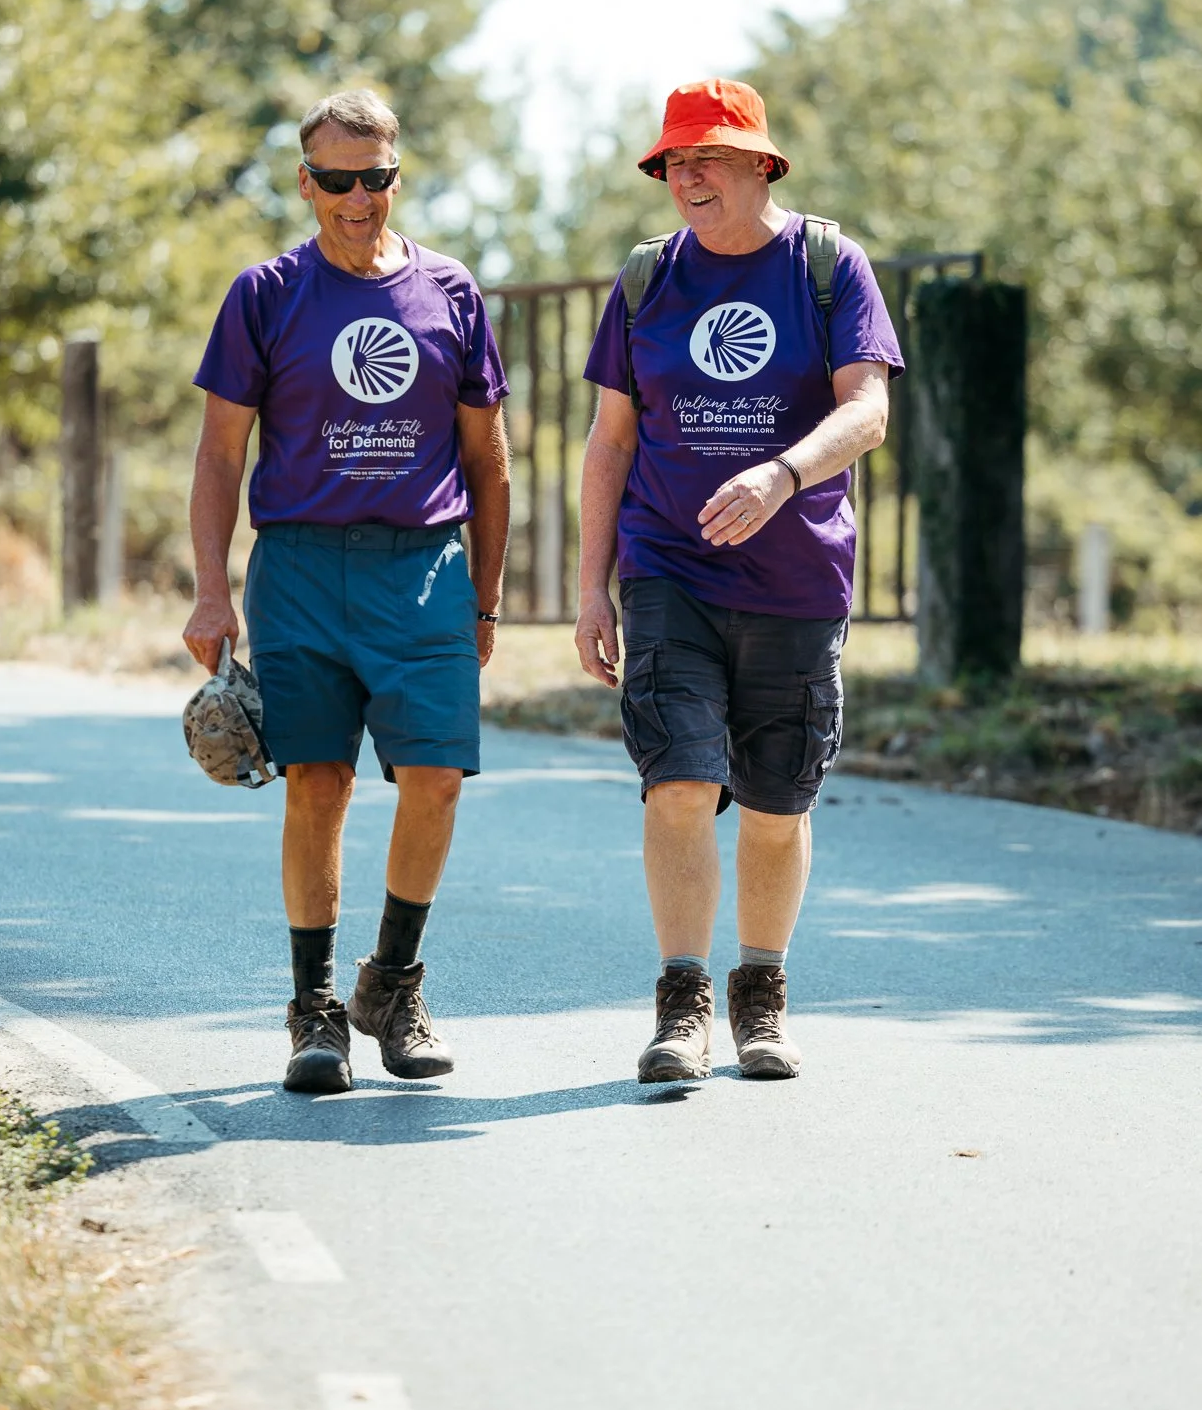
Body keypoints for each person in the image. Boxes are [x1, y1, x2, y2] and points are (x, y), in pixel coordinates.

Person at [575, 78, 902, 1083]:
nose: (688, 176)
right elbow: (609, 443)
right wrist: (593, 587)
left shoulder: (826, 266)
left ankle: (762, 994)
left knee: (773, 802)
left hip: (798, 577)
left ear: (763, 163)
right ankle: (683, 1005)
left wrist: (784, 471)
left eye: (708, 158)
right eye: (674, 161)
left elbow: (870, 409)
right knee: (679, 780)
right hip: (671, 569)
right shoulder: (644, 282)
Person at [183, 89, 510, 1095]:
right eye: (336, 180)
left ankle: (393, 984)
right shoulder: (265, 293)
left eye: (374, 179)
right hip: (300, 571)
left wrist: (486, 600)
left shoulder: (451, 293)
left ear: (397, 176)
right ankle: (314, 1009)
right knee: (318, 783)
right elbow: (218, 453)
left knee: (437, 776)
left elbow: (490, 465)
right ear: (306, 181)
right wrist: (210, 591)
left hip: (423, 571)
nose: (357, 199)